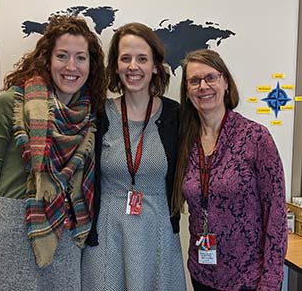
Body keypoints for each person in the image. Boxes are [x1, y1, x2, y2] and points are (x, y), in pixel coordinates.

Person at [0, 15, 107, 291]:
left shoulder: (92, 115)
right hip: (11, 230)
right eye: (62, 56)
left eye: (80, 58)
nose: (71, 66)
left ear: (91, 64)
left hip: (65, 228)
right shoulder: (11, 103)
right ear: (47, 59)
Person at [81, 22, 187, 291]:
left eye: (142, 59)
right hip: (108, 234)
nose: (133, 66)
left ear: (155, 66)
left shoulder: (175, 116)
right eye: (125, 58)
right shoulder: (99, 113)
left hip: (158, 234)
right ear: (115, 66)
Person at [173, 49, 287, 291]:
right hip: (201, 274)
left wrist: (270, 281)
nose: (203, 86)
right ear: (187, 91)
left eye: (210, 77)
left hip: (248, 279)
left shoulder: (256, 138)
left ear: (225, 82)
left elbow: (276, 213)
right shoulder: (185, 142)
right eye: (194, 81)